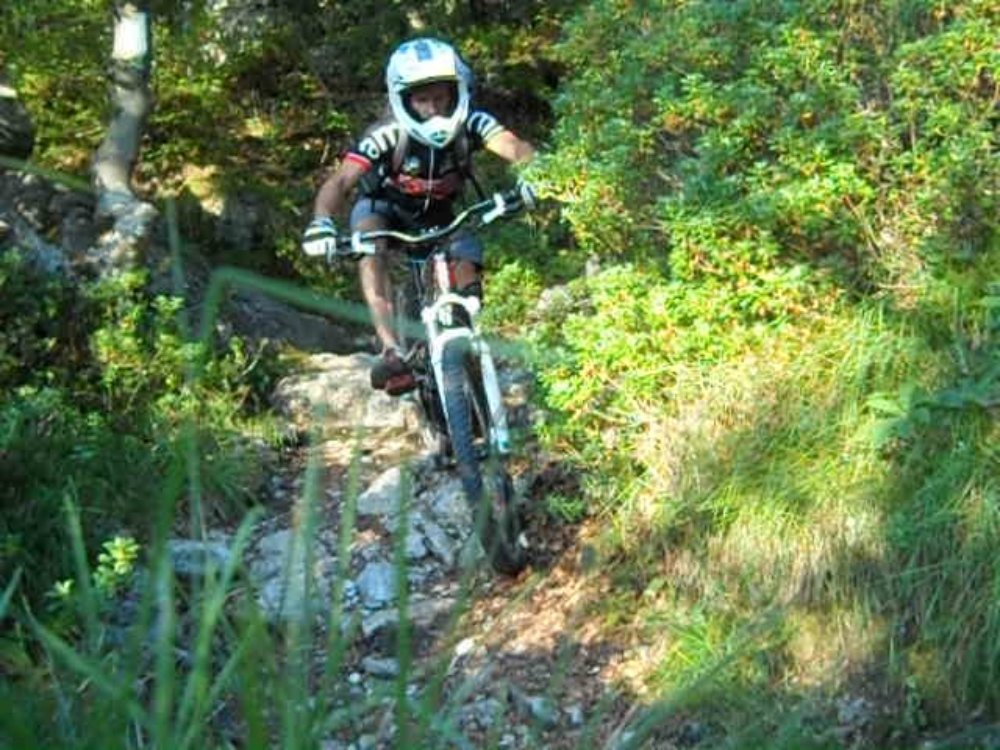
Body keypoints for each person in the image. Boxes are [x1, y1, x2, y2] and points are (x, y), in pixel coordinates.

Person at [302, 37, 535, 395]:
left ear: (456, 92)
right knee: (370, 250)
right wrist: (322, 222)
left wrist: (540, 173)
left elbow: (513, 146)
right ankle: (391, 350)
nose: (433, 108)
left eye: (440, 97)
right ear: (404, 100)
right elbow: (342, 180)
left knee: (467, 262)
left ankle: (467, 330)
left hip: (440, 213)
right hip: (384, 209)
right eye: (422, 100)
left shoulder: (472, 122)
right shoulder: (387, 134)